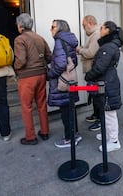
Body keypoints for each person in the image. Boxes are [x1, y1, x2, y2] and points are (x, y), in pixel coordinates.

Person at [85, 21, 123, 152]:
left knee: (109, 114)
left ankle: (114, 141)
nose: (100, 29)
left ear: (107, 30)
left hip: (107, 82)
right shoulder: (110, 45)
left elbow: (99, 68)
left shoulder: (108, 47)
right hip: (107, 81)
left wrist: (88, 76)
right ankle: (107, 135)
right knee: (106, 112)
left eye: (101, 28)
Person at [13, 14, 52, 145]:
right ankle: (45, 131)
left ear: (20, 26)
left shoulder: (19, 39)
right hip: (41, 74)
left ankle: (30, 137)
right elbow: (49, 56)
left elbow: (21, 61)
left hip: (27, 77)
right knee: (41, 104)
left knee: (26, 106)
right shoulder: (40, 38)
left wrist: (15, 68)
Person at [47, 20, 82, 148]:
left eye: (53, 27)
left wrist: (50, 74)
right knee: (70, 109)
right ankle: (75, 134)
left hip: (62, 82)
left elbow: (61, 64)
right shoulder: (70, 40)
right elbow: (73, 62)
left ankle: (69, 138)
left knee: (65, 111)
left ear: (60, 28)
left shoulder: (59, 41)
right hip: (70, 80)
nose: (50, 29)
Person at [76, 15, 101, 132]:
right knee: (94, 94)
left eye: (84, 25)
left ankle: (100, 119)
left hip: (93, 70)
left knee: (97, 96)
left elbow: (91, 53)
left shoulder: (96, 35)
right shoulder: (93, 34)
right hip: (92, 70)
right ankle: (96, 115)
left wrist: (80, 50)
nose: (83, 27)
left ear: (90, 23)